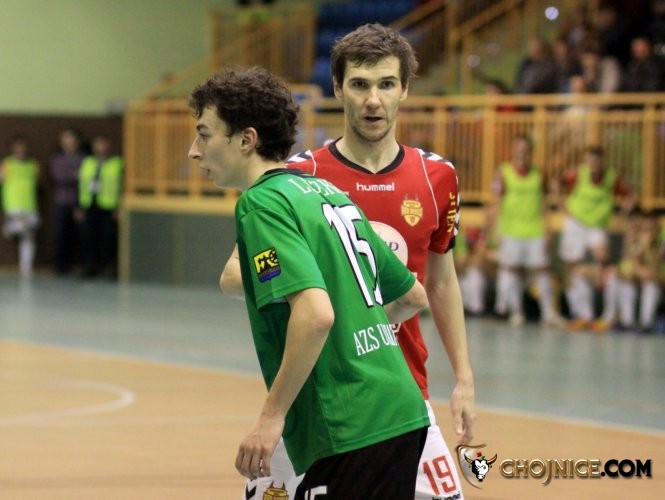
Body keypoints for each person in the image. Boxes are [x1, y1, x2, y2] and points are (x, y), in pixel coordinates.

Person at [222, 24, 475, 500]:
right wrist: (324, 285)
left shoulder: (436, 176)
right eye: (359, 85)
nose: (373, 100)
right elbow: (238, 272)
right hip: (320, 395)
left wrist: (463, 378)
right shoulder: (299, 175)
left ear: (405, 89)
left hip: (403, 391)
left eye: (386, 84)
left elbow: (440, 283)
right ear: (338, 88)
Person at [188, 67, 431, 499]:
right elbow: (412, 295)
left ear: (246, 140)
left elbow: (316, 314)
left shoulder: (261, 203)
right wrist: (355, 331)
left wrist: (270, 418)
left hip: (351, 425)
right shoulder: (327, 193)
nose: (194, 150)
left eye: (204, 135)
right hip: (402, 413)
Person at [555, 145, 634, 331]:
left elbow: (630, 195)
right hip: (576, 223)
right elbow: (556, 183)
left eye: (597, 159)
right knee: (572, 269)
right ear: (585, 160)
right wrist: (561, 204)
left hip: (597, 225)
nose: (593, 163)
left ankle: (607, 315)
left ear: (602, 161)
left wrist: (623, 212)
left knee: (602, 263)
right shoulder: (577, 174)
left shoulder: (611, 177)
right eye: (590, 159)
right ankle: (582, 314)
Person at [490, 134, 562, 328]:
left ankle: (548, 314)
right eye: (519, 149)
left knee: (542, 270)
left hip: (535, 230)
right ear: (513, 151)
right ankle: (516, 312)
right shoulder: (503, 173)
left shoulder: (539, 174)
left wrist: (548, 229)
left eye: (525, 150)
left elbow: (544, 203)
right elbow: (496, 201)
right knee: (511, 270)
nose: (522, 153)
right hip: (511, 230)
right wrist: (496, 228)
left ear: (531, 152)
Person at [77, 136, 123, 279]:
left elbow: (122, 186)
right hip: (90, 205)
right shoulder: (87, 162)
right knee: (89, 238)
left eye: (103, 144)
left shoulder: (117, 163)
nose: (100, 148)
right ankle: (90, 267)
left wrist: (120, 207)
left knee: (109, 239)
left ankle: (111, 268)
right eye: (97, 145)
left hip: (109, 207)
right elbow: (82, 184)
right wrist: (80, 206)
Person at [0, 136, 40, 277]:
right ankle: (9, 228)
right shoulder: (7, 164)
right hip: (13, 204)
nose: (21, 150)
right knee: (23, 229)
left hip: (30, 204)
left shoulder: (33, 165)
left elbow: (37, 182)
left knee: (29, 235)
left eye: (23, 147)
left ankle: (26, 266)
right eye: (18, 147)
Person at [50, 128, 85, 275]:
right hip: (62, 201)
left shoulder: (83, 159)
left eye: (72, 139)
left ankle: (78, 264)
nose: (69, 142)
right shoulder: (57, 159)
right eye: (66, 139)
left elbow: (86, 178)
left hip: (79, 201)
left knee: (79, 235)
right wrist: (74, 175)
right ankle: (60, 266)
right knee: (60, 234)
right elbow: (60, 177)